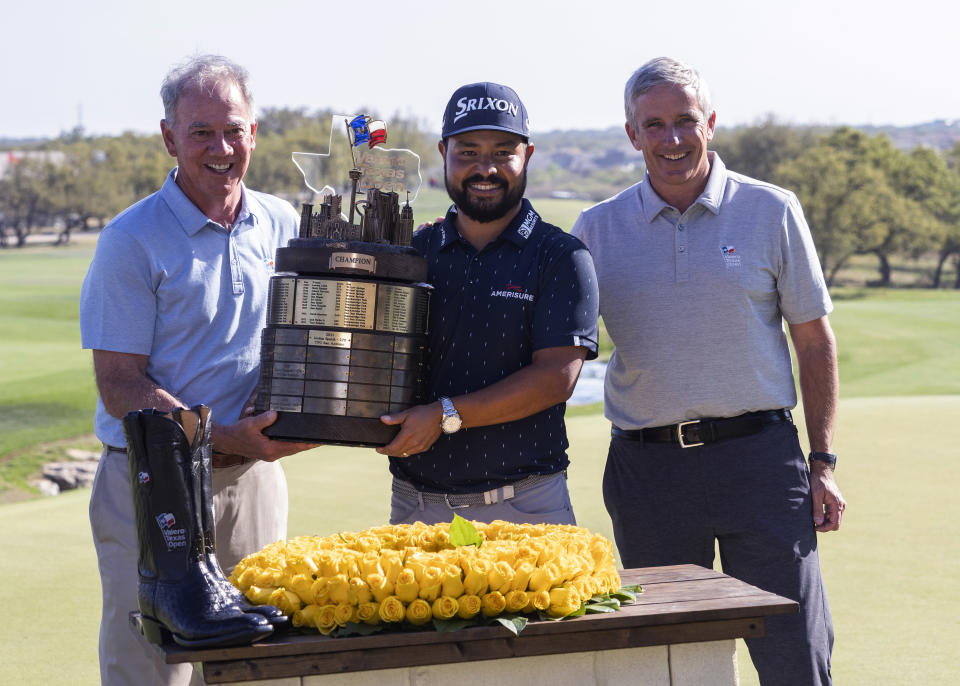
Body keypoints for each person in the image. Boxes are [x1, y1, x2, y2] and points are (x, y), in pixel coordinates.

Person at [570, 57, 846, 685]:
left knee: (794, 653)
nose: (672, 139)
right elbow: (565, 349)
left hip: (761, 465)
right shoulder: (597, 229)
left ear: (711, 124)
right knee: (666, 661)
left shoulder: (771, 210)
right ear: (632, 134)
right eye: (655, 124)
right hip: (649, 472)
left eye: (685, 121)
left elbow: (813, 340)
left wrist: (823, 462)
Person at [79, 55, 314, 686]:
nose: (221, 147)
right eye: (201, 132)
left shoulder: (282, 223)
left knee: (258, 661)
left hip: (252, 480)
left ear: (255, 132)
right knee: (150, 669)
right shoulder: (131, 239)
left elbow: (300, 344)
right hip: (152, 485)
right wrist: (220, 437)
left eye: (233, 130)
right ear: (169, 138)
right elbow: (121, 384)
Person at [376, 82, 599, 526]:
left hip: (525, 506)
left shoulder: (562, 256)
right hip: (415, 505)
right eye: (468, 152)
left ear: (528, 156)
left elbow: (556, 379)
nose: (485, 168)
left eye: (502, 153)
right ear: (443, 153)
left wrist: (443, 416)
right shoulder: (414, 253)